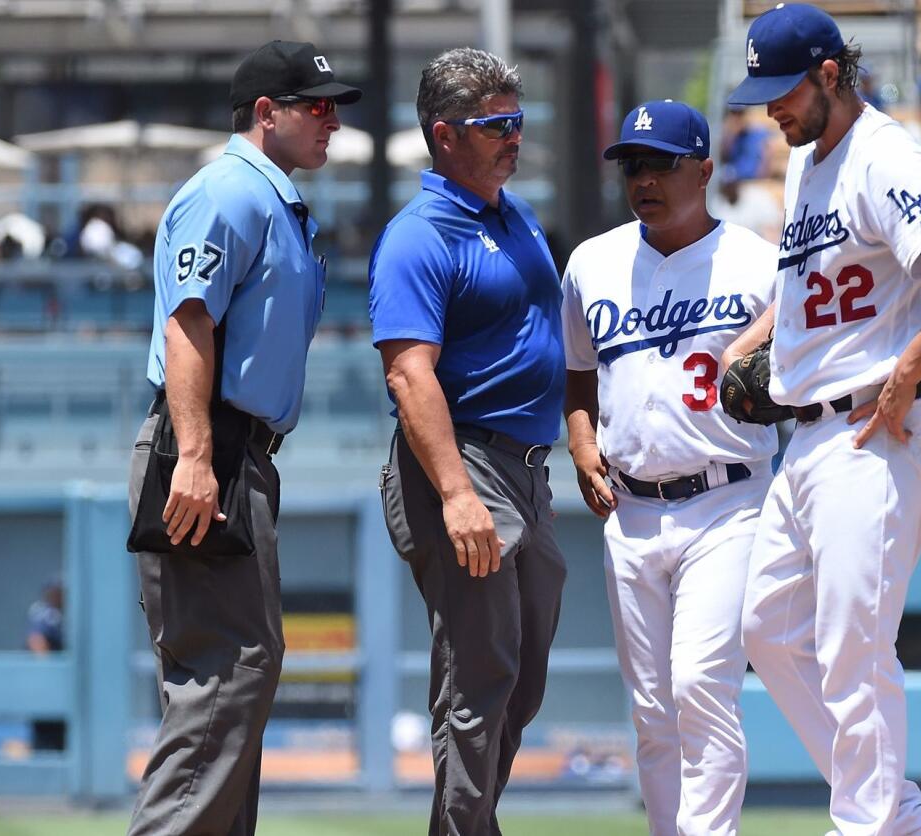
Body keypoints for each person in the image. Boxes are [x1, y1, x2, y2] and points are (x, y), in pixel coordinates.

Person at [725, 4, 921, 833]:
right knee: (770, 631)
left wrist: (910, 368)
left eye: (782, 90)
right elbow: (803, 291)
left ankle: (870, 824)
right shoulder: (808, 159)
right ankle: (901, 818)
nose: (770, 108)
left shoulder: (884, 157)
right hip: (807, 437)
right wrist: (748, 347)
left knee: (854, 651)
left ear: (829, 74)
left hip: (873, 431)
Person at [126, 40, 356, 836]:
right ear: (268, 113)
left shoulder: (271, 197)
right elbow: (190, 322)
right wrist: (195, 457)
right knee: (228, 672)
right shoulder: (229, 190)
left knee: (236, 676)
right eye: (319, 107)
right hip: (207, 447)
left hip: (236, 450)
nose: (334, 123)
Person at [560, 99, 779, 836]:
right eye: (634, 165)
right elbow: (578, 374)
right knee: (653, 712)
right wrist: (582, 445)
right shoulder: (593, 262)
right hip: (630, 508)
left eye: (663, 163)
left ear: (706, 170)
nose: (644, 178)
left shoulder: (756, 261)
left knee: (699, 688)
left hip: (728, 499)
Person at [368, 47, 566, 836]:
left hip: (527, 466)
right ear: (445, 135)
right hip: (467, 462)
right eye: (496, 124)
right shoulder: (418, 235)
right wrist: (454, 493)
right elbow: (410, 376)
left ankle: (470, 823)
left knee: (520, 678)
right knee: (479, 675)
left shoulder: (514, 214)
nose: (513, 136)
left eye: (518, 119)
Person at [25, 577, 66, 752]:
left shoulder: (63, 614)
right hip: (48, 687)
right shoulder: (47, 614)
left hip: (55, 687)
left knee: (60, 740)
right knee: (46, 741)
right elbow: (36, 640)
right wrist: (48, 674)